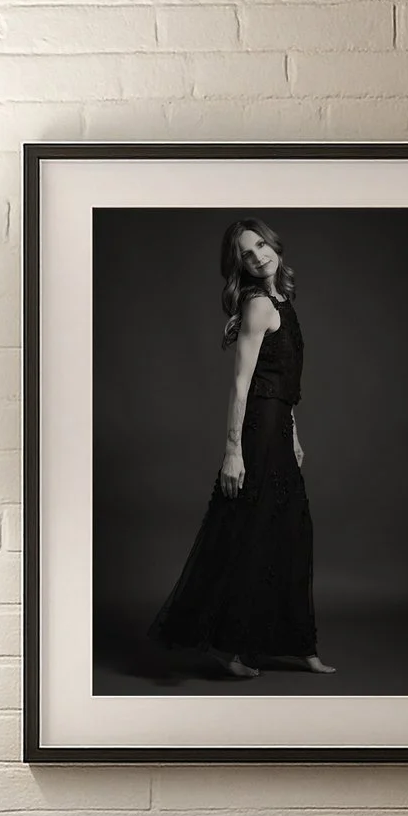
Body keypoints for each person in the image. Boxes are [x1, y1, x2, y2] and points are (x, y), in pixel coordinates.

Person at [149, 218, 336, 679]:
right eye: (245, 253)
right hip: (255, 432)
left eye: (260, 245)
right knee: (247, 533)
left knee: (289, 532)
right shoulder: (257, 305)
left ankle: (298, 643)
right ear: (240, 265)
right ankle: (227, 647)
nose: (256, 256)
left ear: (273, 244)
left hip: (278, 426)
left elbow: (283, 383)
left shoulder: (283, 301)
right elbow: (242, 384)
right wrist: (233, 450)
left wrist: (292, 432)